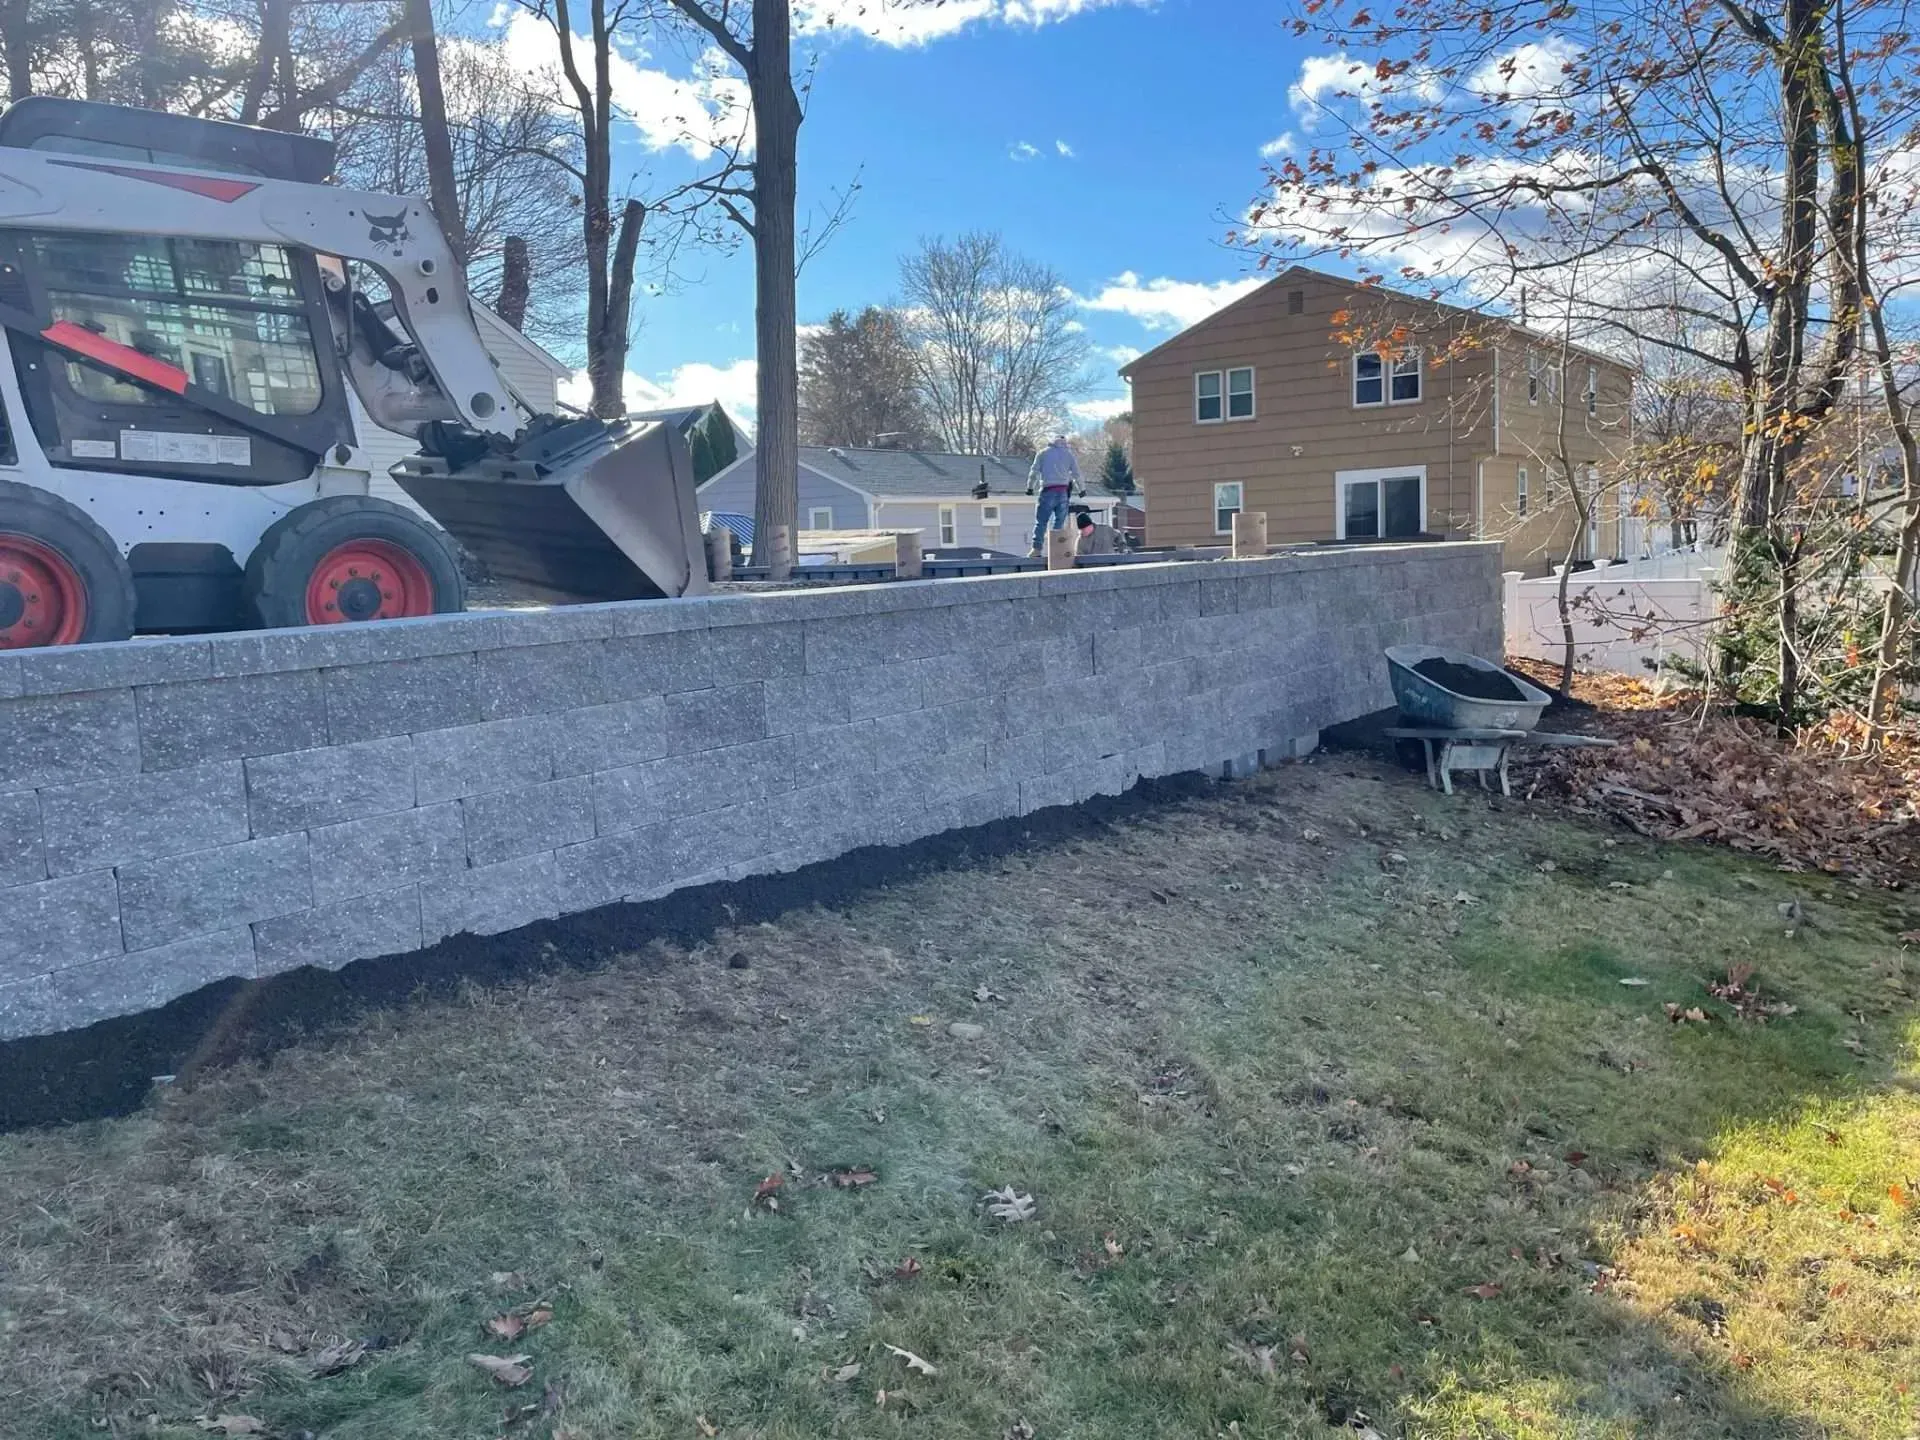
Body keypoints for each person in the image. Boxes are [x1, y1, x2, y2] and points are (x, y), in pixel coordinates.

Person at [1026, 435, 1081, 555]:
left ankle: (1036, 549)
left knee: (1041, 522)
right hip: (1063, 492)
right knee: (1059, 523)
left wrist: (1030, 487)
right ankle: (1056, 549)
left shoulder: (1043, 453)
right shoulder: (1069, 455)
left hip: (1047, 490)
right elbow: (1076, 474)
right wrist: (1082, 489)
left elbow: (1034, 472)